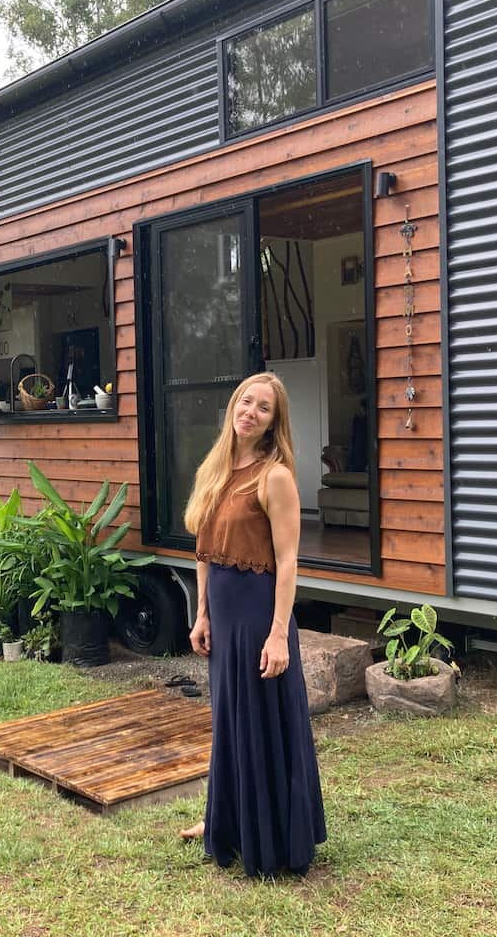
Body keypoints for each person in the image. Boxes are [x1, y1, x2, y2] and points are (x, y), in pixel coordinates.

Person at [177, 371, 326, 877]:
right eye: (245, 401)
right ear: (233, 407)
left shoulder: (275, 476)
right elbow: (204, 550)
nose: (250, 412)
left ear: (273, 422)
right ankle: (225, 817)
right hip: (223, 617)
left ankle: (271, 834)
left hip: (260, 617)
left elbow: (287, 562)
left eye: (263, 407)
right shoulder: (215, 469)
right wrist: (201, 613)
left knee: (262, 722)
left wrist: (279, 632)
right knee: (228, 721)